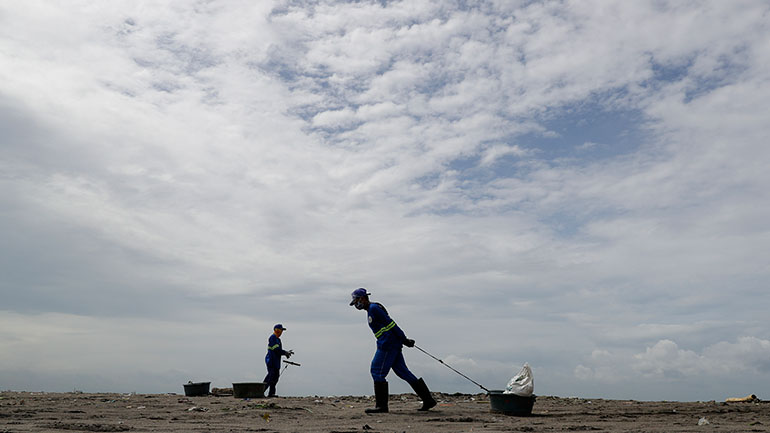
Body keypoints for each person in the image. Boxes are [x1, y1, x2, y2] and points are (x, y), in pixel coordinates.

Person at [349, 288, 437, 413]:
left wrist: (404, 339)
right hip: (391, 343)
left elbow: (391, 324)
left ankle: (382, 406)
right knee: (403, 372)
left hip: (387, 345)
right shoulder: (371, 309)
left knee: (376, 371)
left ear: (362, 298)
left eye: (356, 301)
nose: (356, 305)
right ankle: (428, 400)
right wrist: (402, 340)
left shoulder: (374, 308)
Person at [264, 324, 293, 397]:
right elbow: (276, 350)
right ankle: (260, 392)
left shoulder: (278, 339)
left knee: (275, 377)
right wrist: (285, 352)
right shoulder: (272, 338)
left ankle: (271, 393)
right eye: (281, 330)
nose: (282, 332)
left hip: (276, 362)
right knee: (270, 377)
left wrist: (285, 353)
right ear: (277, 330)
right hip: (271, 360)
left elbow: (278, 350)